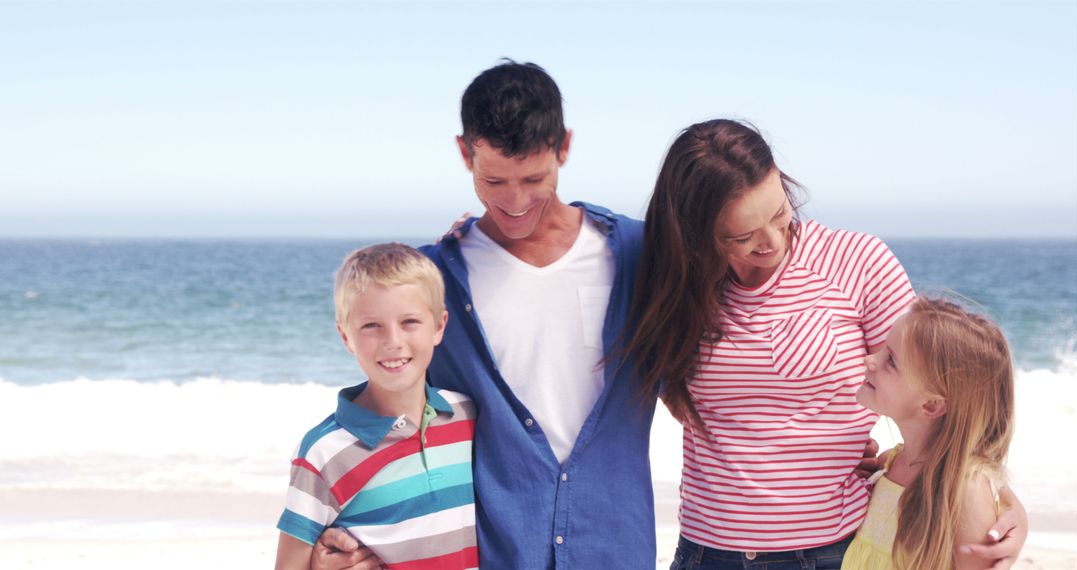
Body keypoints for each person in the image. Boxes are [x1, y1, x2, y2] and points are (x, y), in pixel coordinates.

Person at [627, 119, 1028, 569]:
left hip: (829, 554)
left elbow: (939, 393)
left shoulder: (858, 263)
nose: (773, 241)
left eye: (780, 212)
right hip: (704, 553)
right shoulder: (673, 287)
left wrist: (998, 501)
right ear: (695, 234)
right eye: (742, 237)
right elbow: (691, 404)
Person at [313, 60, 656, 569]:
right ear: (463, 153)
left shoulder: (640, 254)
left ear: (565, 147)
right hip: (490, 556)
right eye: (493, 180)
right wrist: (345, 540)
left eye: (533, 178)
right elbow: (391, 414)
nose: (514, 202)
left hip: (616, 549)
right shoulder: (435, 276)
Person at [275, 243, 478, 570]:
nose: (393, 341)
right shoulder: (323, 453)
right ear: (345, 337)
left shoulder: (467, 416)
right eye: (371, 326)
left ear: (439, 326)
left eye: (410, 321)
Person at [841, 297, 1015, 569]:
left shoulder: (965, 490)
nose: (869, 359)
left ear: (931, 405)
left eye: (891, 361)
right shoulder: (890, 463)